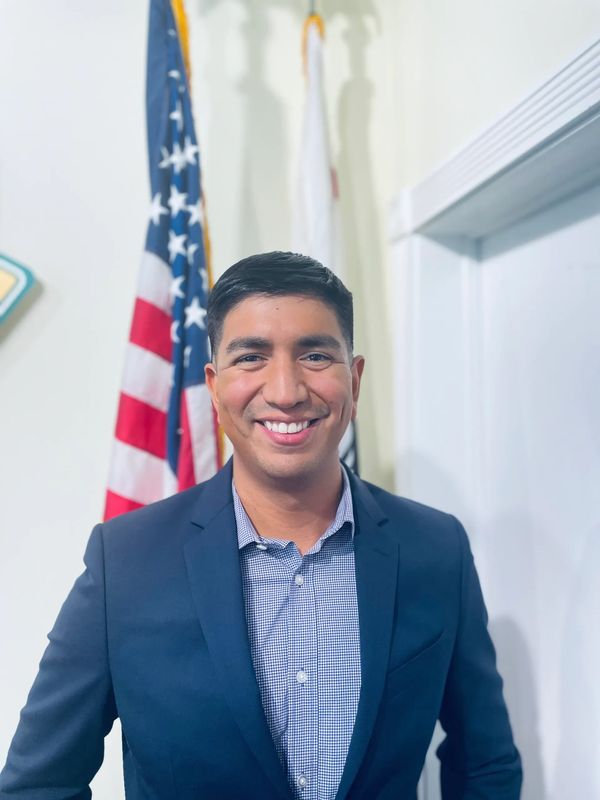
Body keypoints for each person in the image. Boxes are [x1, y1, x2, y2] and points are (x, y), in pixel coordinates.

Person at [0, 251, 522, 799]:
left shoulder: (436, 550)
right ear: (215, 386)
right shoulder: (126, 563)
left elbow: (485, 764)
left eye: (315, 355)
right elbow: (38, 786)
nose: (286, 391)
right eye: (251, 358)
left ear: (355, 379)